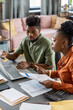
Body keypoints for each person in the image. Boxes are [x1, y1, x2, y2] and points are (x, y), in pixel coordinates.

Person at [37, 21, 73, 93]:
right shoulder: (66, 54)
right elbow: (63, 73)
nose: (51, 43)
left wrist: (54, 85)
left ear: (64, 43)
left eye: (54, 40)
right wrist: (47, 73)